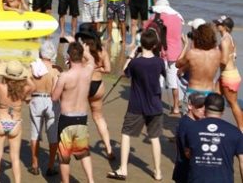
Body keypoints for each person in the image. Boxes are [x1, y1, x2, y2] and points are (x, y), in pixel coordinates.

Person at [107, 29, 165, 181]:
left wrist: (131, 55)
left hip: (136, 105)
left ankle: (123, 168)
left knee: (126, 134)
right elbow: (164, 73)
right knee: (154, 138)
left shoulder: (136, 62)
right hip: (155, 105)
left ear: (141, 44)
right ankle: (158, 172)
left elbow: (124, 72)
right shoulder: (159, 62)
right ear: (154, 45)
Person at [0, 60, 36, 183]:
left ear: (6, 74)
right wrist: (26, 73)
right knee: (15, 158)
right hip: (15, 123)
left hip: (0, 121)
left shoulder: (0, 87)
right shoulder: (24, 89)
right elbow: (33, 86)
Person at [51, 41, 95, 183]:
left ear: (69, 57)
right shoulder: (88, 71)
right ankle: (91, 180)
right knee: (83, 152)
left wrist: (54, 82)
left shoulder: (64, 76)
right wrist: (84, 49)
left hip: (67, 119)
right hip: (81, 118)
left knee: (64, 157)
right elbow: (92, 60)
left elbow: (54, 97)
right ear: (81, 56)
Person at [182, 93, 243, 183]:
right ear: (223, 111)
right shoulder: (235, 132)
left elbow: (187, 153)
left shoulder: (191, 128)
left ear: (205, 108)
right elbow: (242, 161)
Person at [76, 23, 114, 160]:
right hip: (98, 85)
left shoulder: (81, 49)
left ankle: (83, 147)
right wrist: (98, 69)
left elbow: (74, 66)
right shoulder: (102, 50)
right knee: (98, 117)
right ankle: (109, 149)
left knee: (82, 117)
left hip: (84, 84)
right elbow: (108, 69)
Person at [145, 0, 184, 114]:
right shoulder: (177, 18)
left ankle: (155, 105)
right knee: (173, 81)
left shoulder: (156, 18)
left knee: (158, 80)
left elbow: (146, 30)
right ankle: (176, 106)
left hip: (161, 52)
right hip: (175, 53)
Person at [29, 40, 61, 176]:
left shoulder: (33, 67)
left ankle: (35, 164)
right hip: (51, 101)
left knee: (35, 133)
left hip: (36, 98)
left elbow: (26, 82)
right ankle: (50, 165)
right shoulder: (56, 69)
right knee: (53, 134)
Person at [176, 24, 221, 99]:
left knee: (191, 110)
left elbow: (177, 64)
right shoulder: (217, 53)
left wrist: (186, 46)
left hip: (193, 91)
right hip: (209, 91)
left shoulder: (192, 53)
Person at [214, 15, 243, 130]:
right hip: (227, 74)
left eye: (219, 24)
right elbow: (233, 56)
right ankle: (213, 123)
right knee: (214, 97)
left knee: (233, 104)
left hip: (228, 76)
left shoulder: (225, 41)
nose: (217, 25)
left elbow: (224, 61)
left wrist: (211, 64)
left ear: (225, 27)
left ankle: (241, 129)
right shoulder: (229, 38)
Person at [172, 92, 206, 183]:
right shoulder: (187, 125)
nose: (203, 109)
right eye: (200, 106)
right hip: (186, 173)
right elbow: (188, 153)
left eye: (205, 106)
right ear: (190, 106)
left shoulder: (193, 122)